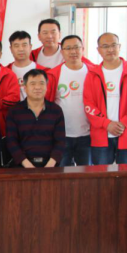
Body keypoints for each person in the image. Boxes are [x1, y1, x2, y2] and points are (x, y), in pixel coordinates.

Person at [84, 33, 127, 167]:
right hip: (101, 135)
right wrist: (107, 124)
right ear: (98, 50)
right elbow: (88, 104)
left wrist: (123, 123)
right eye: (105, 46)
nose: (110, 49)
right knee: (101, 176)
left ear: (119, 47)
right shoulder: (92, 74)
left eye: (113, 45)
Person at [46, 35, 93, 166]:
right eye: (68, 48)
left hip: (88, 134)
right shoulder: (53, 74)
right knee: (62, 173)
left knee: (87, 173)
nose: (73, 51)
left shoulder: (94, 72)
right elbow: (48, 103)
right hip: (62, 135)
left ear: (82, 49)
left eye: (76, 47)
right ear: (62, 51)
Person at [6, 69, 66, 168]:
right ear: (25, 88)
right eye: (32, 84)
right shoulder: (14, 112)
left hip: (50, 165)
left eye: (41, 83)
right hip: (22, 166)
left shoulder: (56, 111)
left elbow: (60, 141)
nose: (37, 87)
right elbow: (11, 142)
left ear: (46, 87)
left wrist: (50, 165)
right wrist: (26, 164)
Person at [7, 30, 46, 100]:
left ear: (30, 47)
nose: (21, 49)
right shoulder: (5, 72)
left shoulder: (44, 71)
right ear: (11, 49)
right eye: (16, 46)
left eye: (24, 45)